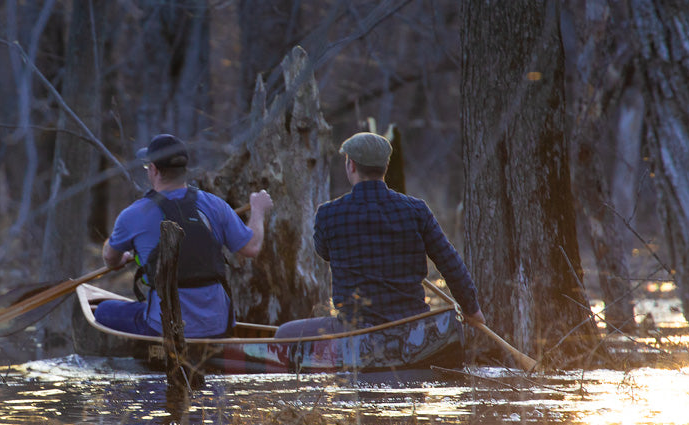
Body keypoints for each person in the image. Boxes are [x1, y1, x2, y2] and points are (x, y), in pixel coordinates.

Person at [276, 131, 485, 337]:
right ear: (386, 166)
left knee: (283, 334)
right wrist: (472, 309)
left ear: (351, 166)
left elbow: (323, 251)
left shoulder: (328, 214)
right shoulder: (417, 210)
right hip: (413, 329)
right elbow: (450, 262)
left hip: (355, 331)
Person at [95, 133, 273, 338]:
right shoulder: (215, 205)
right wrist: (258, 210)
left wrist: (121, 257)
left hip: (164, 327)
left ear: (154, 169)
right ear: (184, 170)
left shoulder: (134, 214)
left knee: (103, 310)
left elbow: (110, 259)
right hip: (217, 326)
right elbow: (252, 247)